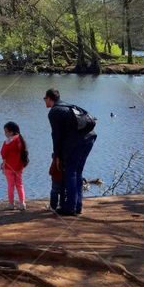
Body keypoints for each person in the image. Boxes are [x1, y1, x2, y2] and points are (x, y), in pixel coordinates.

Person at [45, 88, 97, 216]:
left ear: (49, 98)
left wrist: (57, 155)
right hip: (90, 138)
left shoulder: (54, 111)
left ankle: (69, 208)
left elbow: (56, 135)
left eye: (44, 99)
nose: (44, 101)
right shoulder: (68, 106)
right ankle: (77, 206)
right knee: (77, 172)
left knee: (70, 172)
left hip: (78, 141)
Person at [0, 121, 28, 210]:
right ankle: (22, 203)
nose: (5, 134)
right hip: (19, 166)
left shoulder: (8, 141)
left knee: (10, 185)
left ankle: (11, 204)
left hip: (9, 167)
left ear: (11, 132)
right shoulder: (20, 139)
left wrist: (3, 163)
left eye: (6, 132)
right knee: (19, 184)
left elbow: (3, 153)